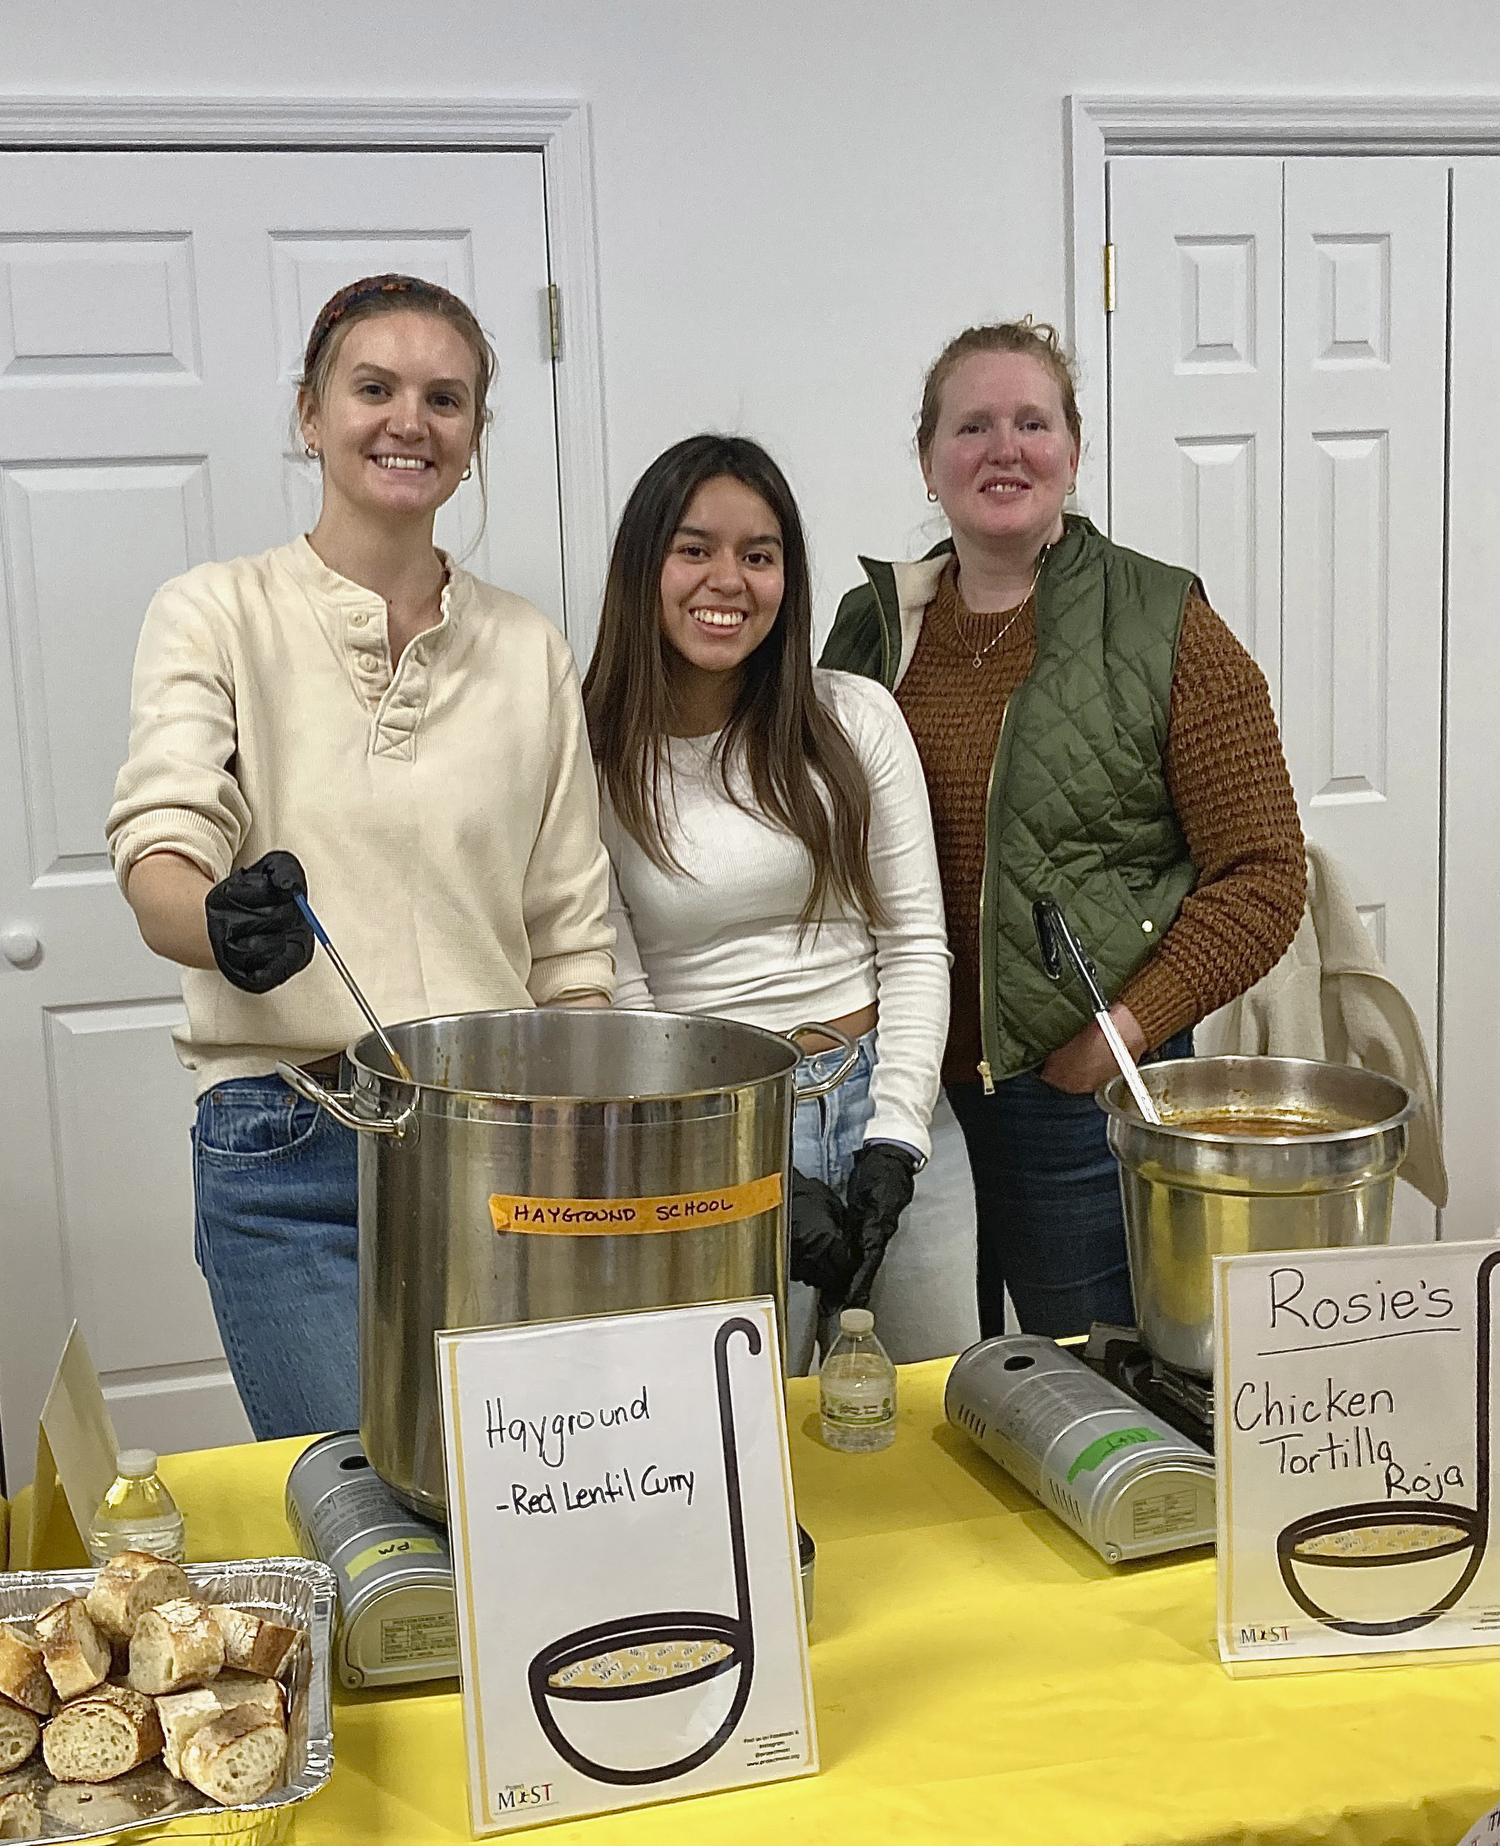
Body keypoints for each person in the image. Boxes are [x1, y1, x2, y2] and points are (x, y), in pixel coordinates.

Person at [107, 274, 613, 1440]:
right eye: (372, 387)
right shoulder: (213, 612)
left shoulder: (531, 648)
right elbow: (162, 852)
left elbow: (570, 933)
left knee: (519, 1497)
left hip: (498, 1138)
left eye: (445, 398)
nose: (408, 421)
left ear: (475, 438)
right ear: (309, 413)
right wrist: (222, 921)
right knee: (375, 1521)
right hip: (286, 1147)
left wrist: (583, 1143)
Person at [822, 319, 1306, 1341]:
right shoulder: (870, 627)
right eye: (972, 425)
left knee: (1095, 1380)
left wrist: (1116, 1037)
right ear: (927, 459)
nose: (1004, 448)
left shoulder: (1162, 621)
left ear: (1073, 452)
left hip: (1072, 1097)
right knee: (928, 1382)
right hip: (905, 1091)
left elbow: (1263, 875)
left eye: (1032, 421)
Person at [584, 433, 976, 1372]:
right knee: (739, 1434)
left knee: (940, 1414)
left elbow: (916, 942)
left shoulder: (851, 717)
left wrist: (895, 1140)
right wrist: (745, 1158)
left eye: (759, 556)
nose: (729, 580)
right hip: (713, 1133)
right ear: (645, 566)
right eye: (695, 549)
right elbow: (620, 994)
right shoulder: (588, 756)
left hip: (888, 1096)